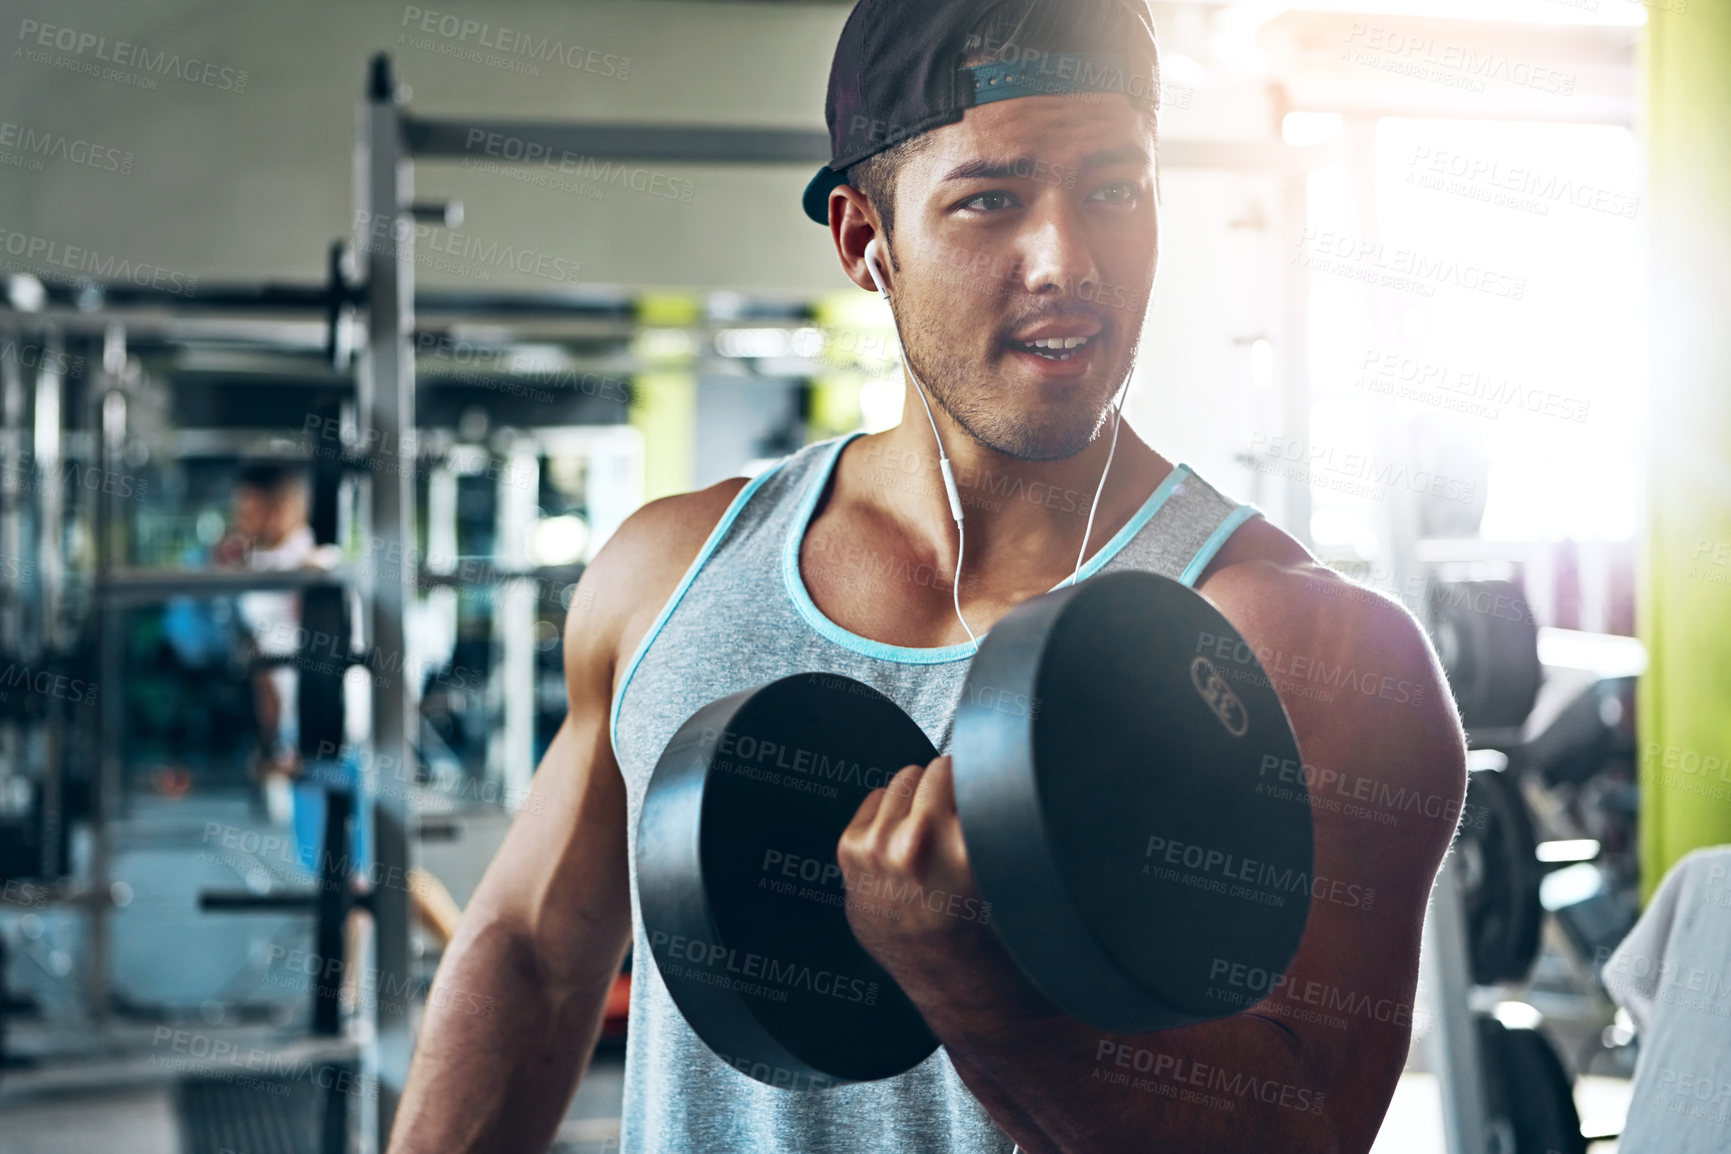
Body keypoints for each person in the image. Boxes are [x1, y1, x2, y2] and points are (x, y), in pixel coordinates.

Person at [389, 1, 1468, 1151]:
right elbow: (534, 956)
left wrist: (976, 978)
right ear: (865, 241)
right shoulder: (667, 575)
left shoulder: (1314, 650)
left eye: (1114, 187)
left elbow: (1302, 1133)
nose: (1067, 260)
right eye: (990, 199)